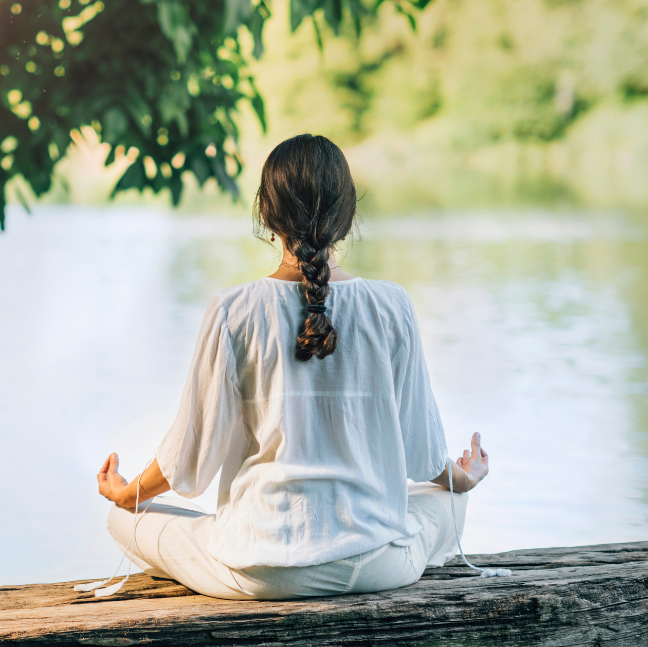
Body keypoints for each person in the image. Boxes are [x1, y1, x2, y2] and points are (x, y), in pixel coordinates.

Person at [94, 133, 490, 600]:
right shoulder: (392, 305)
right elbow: (423, 453)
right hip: (375, 565)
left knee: (121, 519)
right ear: (347, 217)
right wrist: (463, 478)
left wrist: (127, 493)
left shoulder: (233, 310)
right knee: (447, 502)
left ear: (266, 214)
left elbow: (190, 457)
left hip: (261, 571)